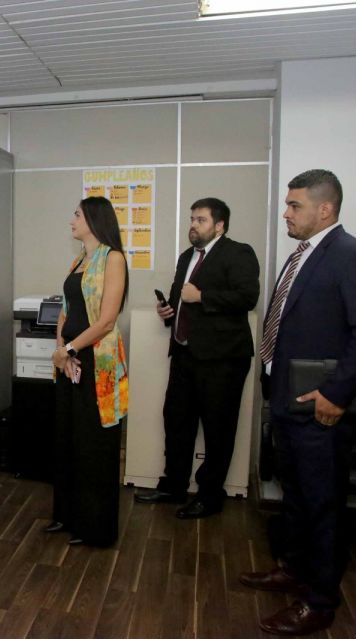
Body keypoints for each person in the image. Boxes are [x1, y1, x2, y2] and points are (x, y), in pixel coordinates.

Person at [240, 170, 356, 636]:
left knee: (322, 504)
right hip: (287, 401)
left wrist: (335, 394)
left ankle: (321, 601)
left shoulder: (353, 255)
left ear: (325, 209)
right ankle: (294, 568)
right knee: (296, 497)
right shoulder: (301, 256)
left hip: (321, 408)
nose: (286, 213)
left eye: (295, 206)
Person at [134, 198, 259, 519]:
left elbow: (247, 297)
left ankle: (209, 496)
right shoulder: (186, 257)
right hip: (184, 353)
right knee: (176, 421)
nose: (193, 225)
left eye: (200, 220)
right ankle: (173, 485)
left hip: (222, 359)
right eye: (192, 219)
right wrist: (167, 311)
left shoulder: (238, 253)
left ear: (219, 225)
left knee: (218, 430)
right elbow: (181, 300)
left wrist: (201, 296)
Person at [45, 196, 129, 547]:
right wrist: (60, 350)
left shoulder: (113, 258)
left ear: (94, 220)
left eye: (77, 215)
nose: (71, 220)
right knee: (68, 440)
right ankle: (67, 516)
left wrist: (69, 350)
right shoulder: (79, 259)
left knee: (94, 446)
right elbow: (65, 311)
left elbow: (107, 320)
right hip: (70, 361)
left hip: (97, 363)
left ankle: (95, 527)